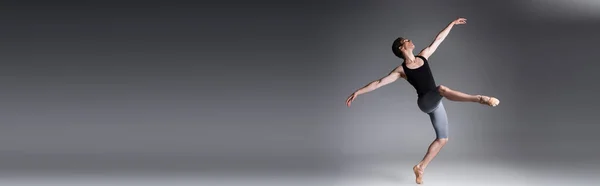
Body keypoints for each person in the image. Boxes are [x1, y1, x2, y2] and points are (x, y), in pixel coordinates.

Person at [345, 17, 499, 184]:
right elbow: (378, 83)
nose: (411, 41)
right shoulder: (401, 70)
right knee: (442, 89)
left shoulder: (423, 56)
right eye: (406, 40)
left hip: (436, 103)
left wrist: (452, 24)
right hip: (425, 102)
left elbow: (438, 39)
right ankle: (480, 99)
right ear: (401, 47)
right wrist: (358, 92)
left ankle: (420, 167)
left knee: (443, 139)